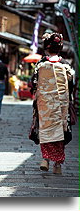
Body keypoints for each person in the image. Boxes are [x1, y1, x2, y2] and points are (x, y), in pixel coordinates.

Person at [30, 32, 74, 174]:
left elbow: (34, 83)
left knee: (45, 129)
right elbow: (71, 85)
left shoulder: (41, 64)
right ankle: (58, 165)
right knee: (60, 131)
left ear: (46, 47)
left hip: (45, 104)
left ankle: (46, 159)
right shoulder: (65, 65)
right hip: (62, 104)